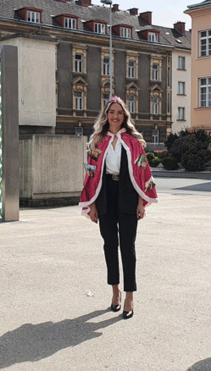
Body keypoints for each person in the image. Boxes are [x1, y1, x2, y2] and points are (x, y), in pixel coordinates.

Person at [79, 96, 158, 319]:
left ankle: (130, 295)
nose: (115, 116)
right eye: (112, 112)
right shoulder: (97, 142)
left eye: (119, 112)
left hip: (128, 195)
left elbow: (143, 171)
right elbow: (91, 174)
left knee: (128, 247)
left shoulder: (133, 142)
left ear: (124, 116)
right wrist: (92, 204)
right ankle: (115, 292)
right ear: (106, 115)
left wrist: (142, 202)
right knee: (110, 245)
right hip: (105, 195)